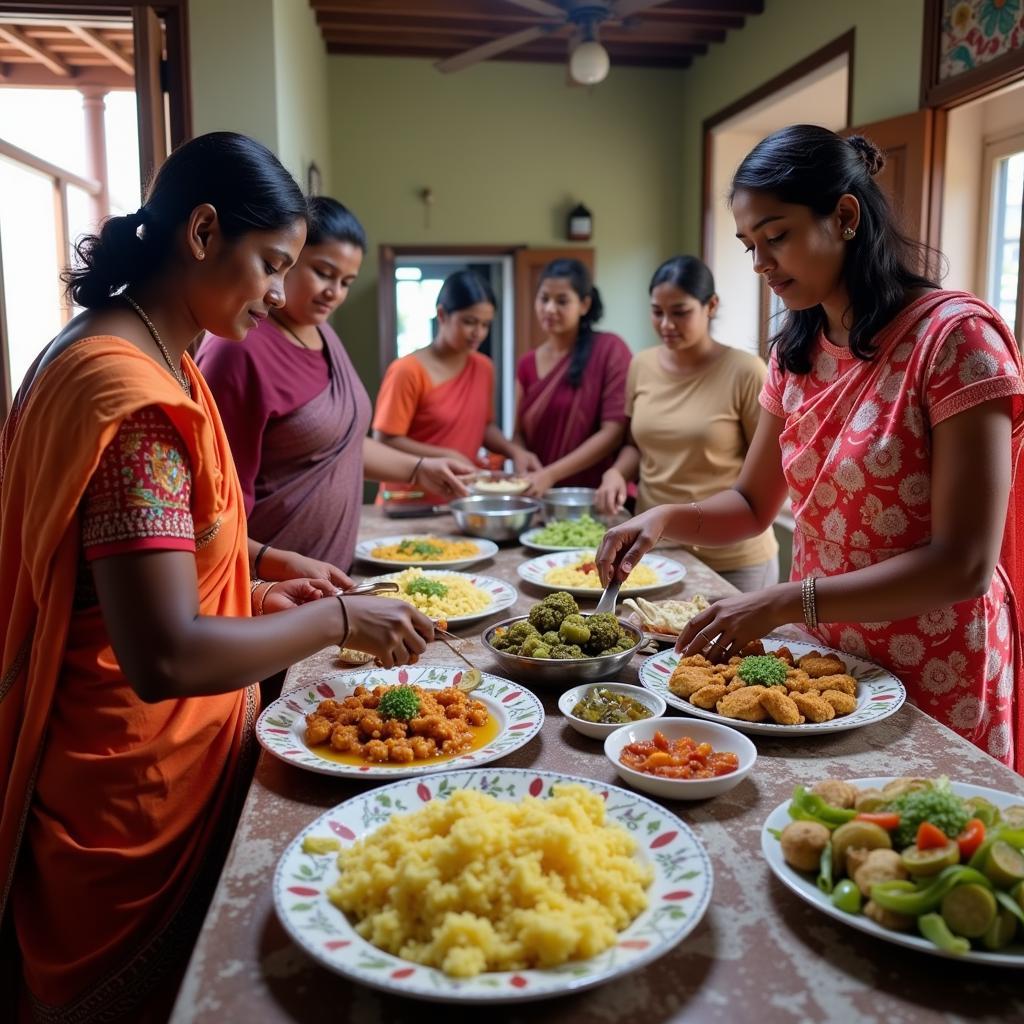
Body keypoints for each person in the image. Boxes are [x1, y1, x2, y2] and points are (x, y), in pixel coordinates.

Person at [0, 132, 434, 1022]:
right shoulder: (136, 401)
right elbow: (162, 653)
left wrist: (263, 584)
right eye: (272, 263)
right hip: (129, 784)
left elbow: (153, 566)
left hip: (151, 752)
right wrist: (339, 624)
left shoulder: (141, 354)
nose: (281, 292)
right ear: (202, 233)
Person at [597, 125, 1023, 770]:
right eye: (750, 246)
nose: (762, 263)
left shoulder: (954, 341)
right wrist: (661, 520)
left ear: (845, 216)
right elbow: (749, 501)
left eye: (777, 236)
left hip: (939, 661)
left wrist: (787, 600)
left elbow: (964, 562)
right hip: (824, 664)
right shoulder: (796, 353)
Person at [198, 197, 470, 571]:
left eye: (346, 282)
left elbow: (340, 445)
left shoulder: (323, 333)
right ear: (288, 261)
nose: (335, 293)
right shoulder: (239, 349)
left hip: (330, 579)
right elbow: (217, 507)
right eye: (323, 273)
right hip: (272, 589)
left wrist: (420, 469)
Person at [595, 256, 778, 592]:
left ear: (710, 306)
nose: (666, 323)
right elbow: (637, 445)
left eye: (679, 312)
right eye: (657, 311)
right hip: (656, 552)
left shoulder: (745, 371)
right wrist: (616, 472)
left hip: (733, 558)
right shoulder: (642, 365)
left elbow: (769, 469)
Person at [372, 269, 527, 502]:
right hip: (409, 499)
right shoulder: (407, 370)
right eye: (469, 322)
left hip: (459, 497)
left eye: (485, 324)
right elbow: (384, 440)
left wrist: (515, 451)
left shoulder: (484, 367)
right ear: (442, 315)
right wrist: (447, 454)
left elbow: (484, 426)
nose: (479, 333)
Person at [513, 258, 631, 495]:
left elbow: (613, 432)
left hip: (594, 496)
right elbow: (518, 434)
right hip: (539, 495)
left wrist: (551, 474)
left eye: (562, 301)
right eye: (544, 298)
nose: (549, 309)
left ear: (584, 305)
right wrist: (520, 455)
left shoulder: (609, 349)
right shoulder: (527, 363)